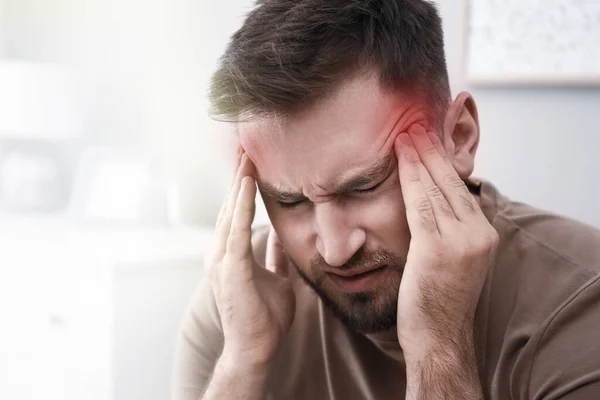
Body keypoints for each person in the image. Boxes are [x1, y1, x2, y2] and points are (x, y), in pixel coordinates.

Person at [171, 1, 600, 399]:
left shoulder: (581, 309)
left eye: (364, 187)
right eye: (289, 201)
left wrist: (440, 347)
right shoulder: (238, 302)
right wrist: (242, 363)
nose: (336, 250)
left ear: (460, 138)